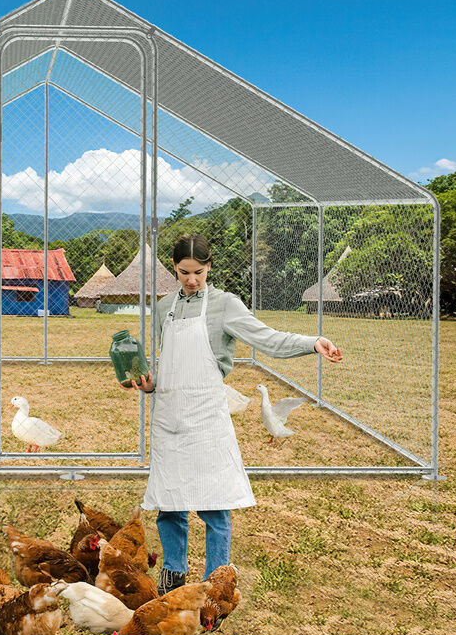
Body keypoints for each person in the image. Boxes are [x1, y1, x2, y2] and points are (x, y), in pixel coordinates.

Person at [124, 233, 342, 598]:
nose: (191, 280)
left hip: (206, 414)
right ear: (174, 269)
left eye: (198, 272)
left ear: (209, 267)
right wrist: (147, 385)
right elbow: (166, 367)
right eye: (183, 272)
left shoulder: (225, 305)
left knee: (214, 504)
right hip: (169, 415)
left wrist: (311, 343)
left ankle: (216, 583)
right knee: (169, 501)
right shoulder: (164, 307)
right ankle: (174, 572)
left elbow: (267, 338)